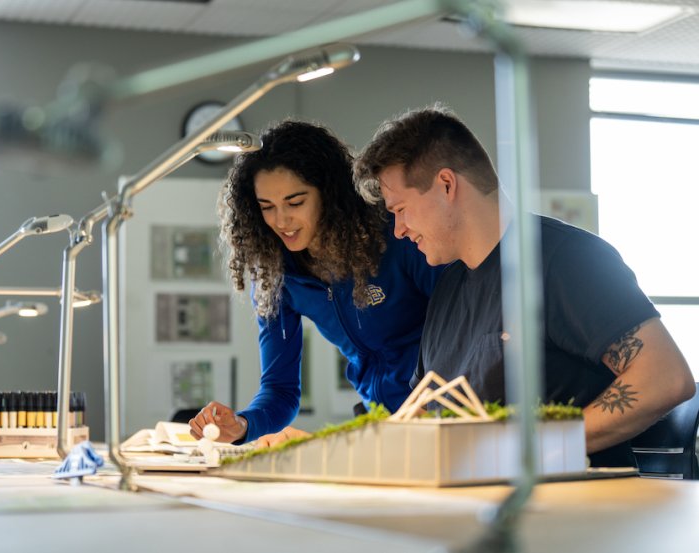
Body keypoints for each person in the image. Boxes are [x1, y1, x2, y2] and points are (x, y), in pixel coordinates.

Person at [353, 103, 695, 467]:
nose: (398, 229)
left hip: (568, 512)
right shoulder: (447, 288)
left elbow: (666, 378)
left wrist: (532, 449)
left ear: (447, 185)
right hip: (473, 507)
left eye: (400, 209)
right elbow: (422, 417)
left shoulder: (564, 260)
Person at [188, 120, 443, 444]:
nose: (281, 221)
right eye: (267, 207)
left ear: (330, 193)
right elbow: (280, 391)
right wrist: (241, 424)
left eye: (295, 203)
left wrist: (434, 406)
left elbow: (464, 330)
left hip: (443, 416)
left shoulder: (397, 237)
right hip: (383, 424)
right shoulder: (274, 277)